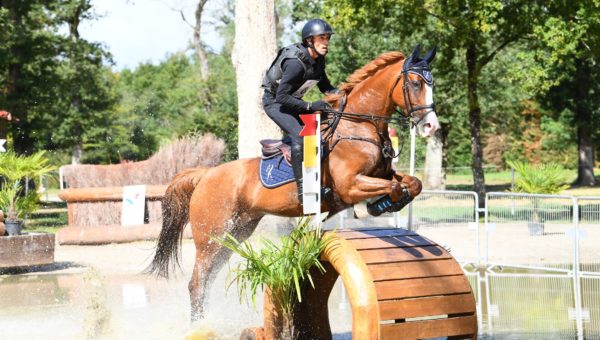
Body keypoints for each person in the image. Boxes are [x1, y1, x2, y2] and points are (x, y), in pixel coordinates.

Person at [261, 19, 337, 203]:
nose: (326, 42)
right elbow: (281, 97)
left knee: (330, 126)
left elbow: (326, 87)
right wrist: (310, 106)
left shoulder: (319, 60)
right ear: (309, 40)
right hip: (276, 103)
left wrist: (346, 94)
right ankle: (303, 189)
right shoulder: (295, 63)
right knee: (301, 135)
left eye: (327, 38)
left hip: (293, 102)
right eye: (322, 38)